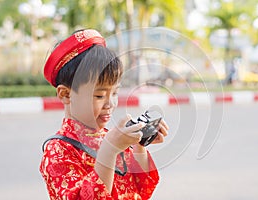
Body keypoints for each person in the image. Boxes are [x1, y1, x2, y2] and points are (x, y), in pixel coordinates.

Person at [39, 29, 169, 200]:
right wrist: (109, 151)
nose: (110, 104)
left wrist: (140, 144)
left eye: (114, 93)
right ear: (65, 94)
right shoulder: (58, 150)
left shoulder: (110, 137)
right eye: (99, 95)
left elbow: (142, 188)